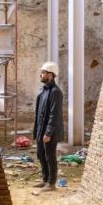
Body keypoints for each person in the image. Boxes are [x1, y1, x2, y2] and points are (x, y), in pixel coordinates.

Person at [32, 61, 64, 191]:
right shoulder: (43, 91)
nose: (41, 75)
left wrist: (48, 133)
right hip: (41, 130)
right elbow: (38, 114)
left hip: (50, 131)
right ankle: (45, 179)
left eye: (43, 73)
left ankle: (51, 183)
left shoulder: (56, 92)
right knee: (40, 154)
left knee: (50, 156)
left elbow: (54, 115)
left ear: (51, 75)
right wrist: (37, 131)